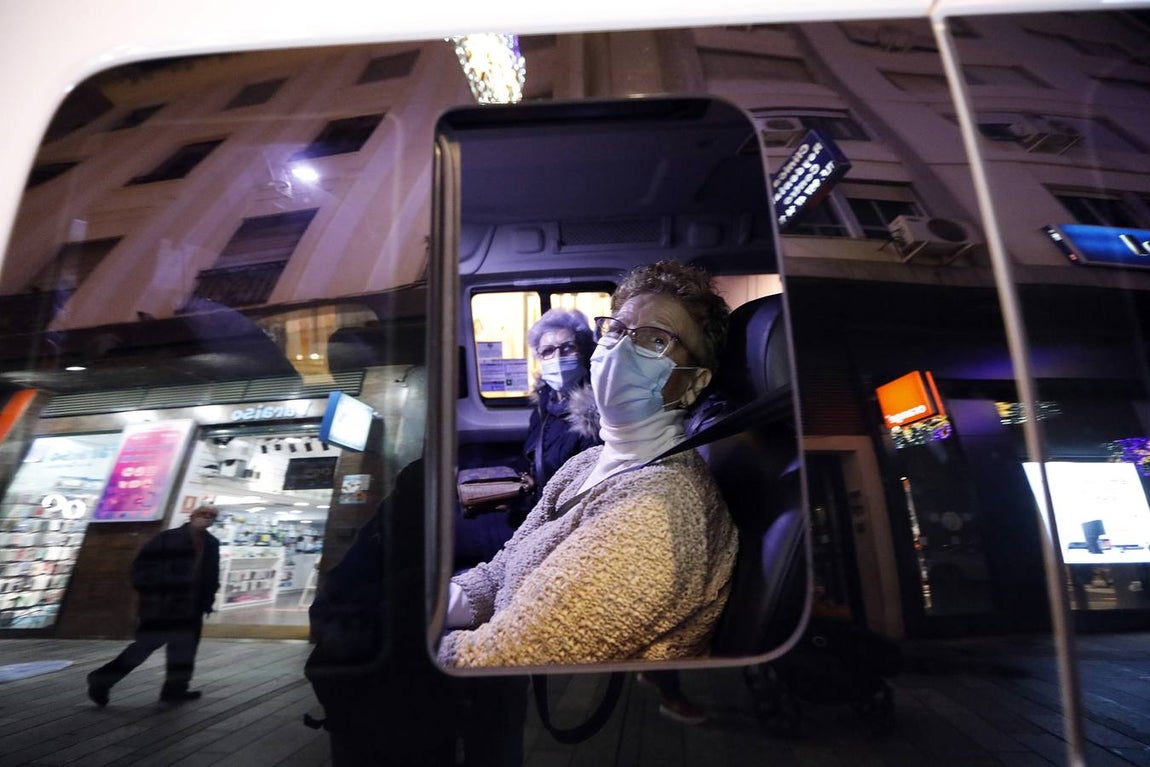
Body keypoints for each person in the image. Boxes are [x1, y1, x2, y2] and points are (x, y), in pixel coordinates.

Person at [440, 260, 738, 668]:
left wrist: (398, 643)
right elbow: (500, 570)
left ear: (694, 382)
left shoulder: (657, 515)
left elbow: (501, 658)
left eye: (654, 341)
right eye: (616, 329)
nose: (620, 350)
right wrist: (438, 604)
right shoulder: (590, 461)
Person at [86, 505, 221, 705]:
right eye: (204, 514)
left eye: (212, 517)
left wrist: (208, 598)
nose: (207, 519)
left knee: (184, 650)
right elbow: (141, 568)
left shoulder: (211, 543)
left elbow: (211, 574)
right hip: (163, 606)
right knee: (144, 646)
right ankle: (103, 679)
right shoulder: (168, 538)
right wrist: (155, 591)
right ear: (192, 516)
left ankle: (175, 689)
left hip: (192, 607)